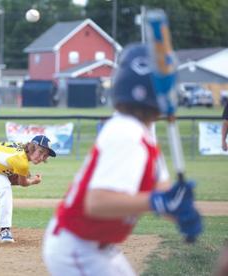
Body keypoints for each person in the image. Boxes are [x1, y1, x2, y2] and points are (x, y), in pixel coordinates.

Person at [42, 43, 202, 276]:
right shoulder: (125, 133)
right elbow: (97, 202)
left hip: (98, 248)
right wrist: (159, 202)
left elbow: (161, 192)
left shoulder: (142, 135)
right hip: (78, 247)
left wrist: (180, 210)